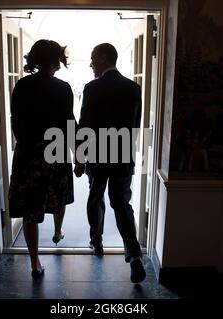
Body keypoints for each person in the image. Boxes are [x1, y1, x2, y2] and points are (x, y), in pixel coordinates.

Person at [74, 43, 146, 283]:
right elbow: (135, 127)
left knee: (95, 197)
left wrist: (79, 159)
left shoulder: (92, 88)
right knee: (122, 204)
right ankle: (134, 256)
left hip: (97, 154)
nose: (91, 63)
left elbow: (84, 125)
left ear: (104, 59)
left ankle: (97, 243)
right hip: (123, 156)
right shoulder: (134, 88)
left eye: (93, 58)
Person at [8, 39, 75, 278]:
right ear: (57, 60)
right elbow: (69, 125)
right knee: (58, 197)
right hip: (56, 151)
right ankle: (57, 231)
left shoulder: (22, 86)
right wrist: (79, 155)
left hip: (29, 155)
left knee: (30, 209)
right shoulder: (63, 88)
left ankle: (35, 262)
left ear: (34, 59)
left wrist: (27, 147)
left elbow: (16, 122)